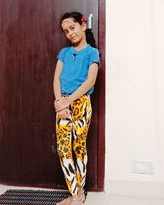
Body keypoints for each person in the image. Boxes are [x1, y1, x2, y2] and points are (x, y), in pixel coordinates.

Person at [53, 11, 100, 205]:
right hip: (62, 104)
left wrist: (68, 100)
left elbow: (90, 81)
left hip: (80, 103)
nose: (70, 33)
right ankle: (74, 193)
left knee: (78, 147)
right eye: (66, 31)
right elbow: (56, 78)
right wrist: (59, 102)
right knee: (63, 149)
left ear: (82, 25)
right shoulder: (64, 53)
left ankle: (79, 194)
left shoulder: (92, 52)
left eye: (72, 28)